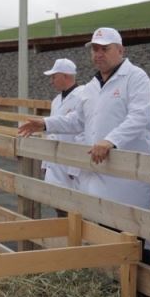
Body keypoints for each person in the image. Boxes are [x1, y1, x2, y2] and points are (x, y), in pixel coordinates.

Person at [19, 27, 150, 211]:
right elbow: (78, 120)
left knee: (127, 233)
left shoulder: (136, 78)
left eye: (104, 49)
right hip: (96, 176)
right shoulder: (92, 86)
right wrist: (45, 124)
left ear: (121, 50)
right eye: (95, 49)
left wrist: (111, 141)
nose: (98, 54)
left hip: (126, 181)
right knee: (95, 232)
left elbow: (139, 117)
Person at [40, 58, 86, 217]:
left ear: (65, 76)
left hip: (71, 165)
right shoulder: (56, 101)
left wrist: (75, 167)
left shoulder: (83, 96)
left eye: (54, 77)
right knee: (58, 204)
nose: (51, 81)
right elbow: (51, 133)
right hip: (55, 163)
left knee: (74, 210)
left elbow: (83, 132)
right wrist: (45, 163)